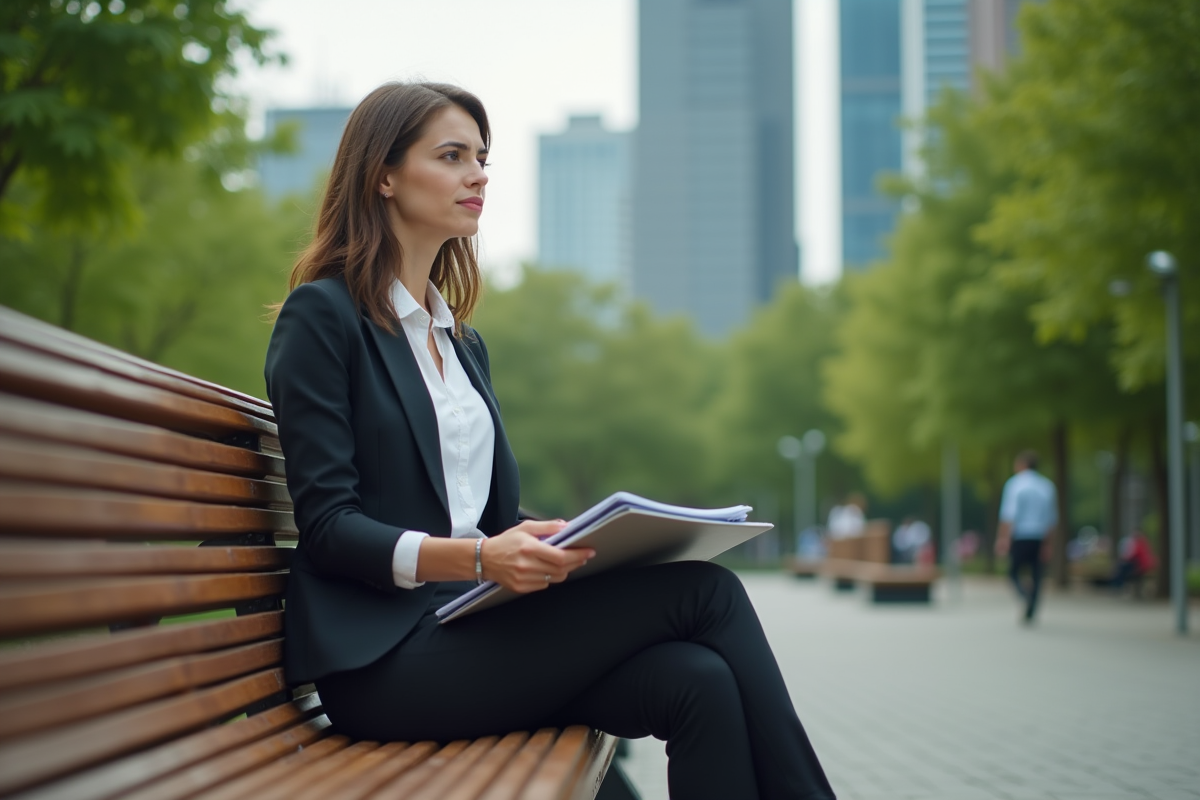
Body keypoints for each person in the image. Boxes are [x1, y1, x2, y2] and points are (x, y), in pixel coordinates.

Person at [265, 82, 834, 800]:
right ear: (383, 174)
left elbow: (482, 515)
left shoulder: (462, 345)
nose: (478, 175)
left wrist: (542, 539)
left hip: (462, 627)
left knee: (699, 681)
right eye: (452, 156)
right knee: (707, 594)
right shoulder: (324, 318)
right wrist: (478, 556)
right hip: (383, 661)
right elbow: (327, 528)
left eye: (482, 157)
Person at [994, 450, 1058, 623]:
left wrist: (1003, 538)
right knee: (1037, 574)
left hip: (1020, 535)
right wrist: (1048, 544)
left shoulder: (1015, 484)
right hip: (1039, 536)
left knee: (1013, 572)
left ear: (1022, 464)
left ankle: (1025, 595)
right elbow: (1051, 519)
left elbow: (1009, 515)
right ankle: (1033, 605)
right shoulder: (1047, 486)